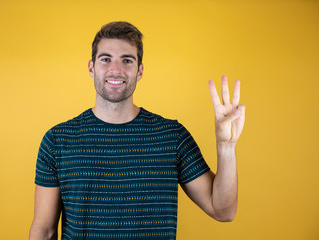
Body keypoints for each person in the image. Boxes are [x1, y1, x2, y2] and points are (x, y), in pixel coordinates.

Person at [29, 21, 245, 240]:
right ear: (91, 67)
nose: (116, 69)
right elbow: (44, 231)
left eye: (127, 60)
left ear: (139, 70)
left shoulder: (172, 137)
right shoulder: (58, 140)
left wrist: (226, 147)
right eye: (105, 59)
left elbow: (223, 211)